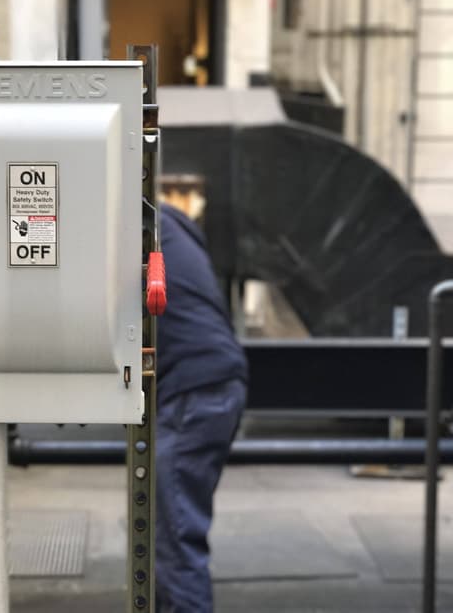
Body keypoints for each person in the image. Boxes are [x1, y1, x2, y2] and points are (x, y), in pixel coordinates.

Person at [155, 183, 248, 613]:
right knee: (168, 531)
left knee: (176, 540)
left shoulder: (133, 226)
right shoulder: (166, 221)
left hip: (193, 390)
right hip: (216, 377)